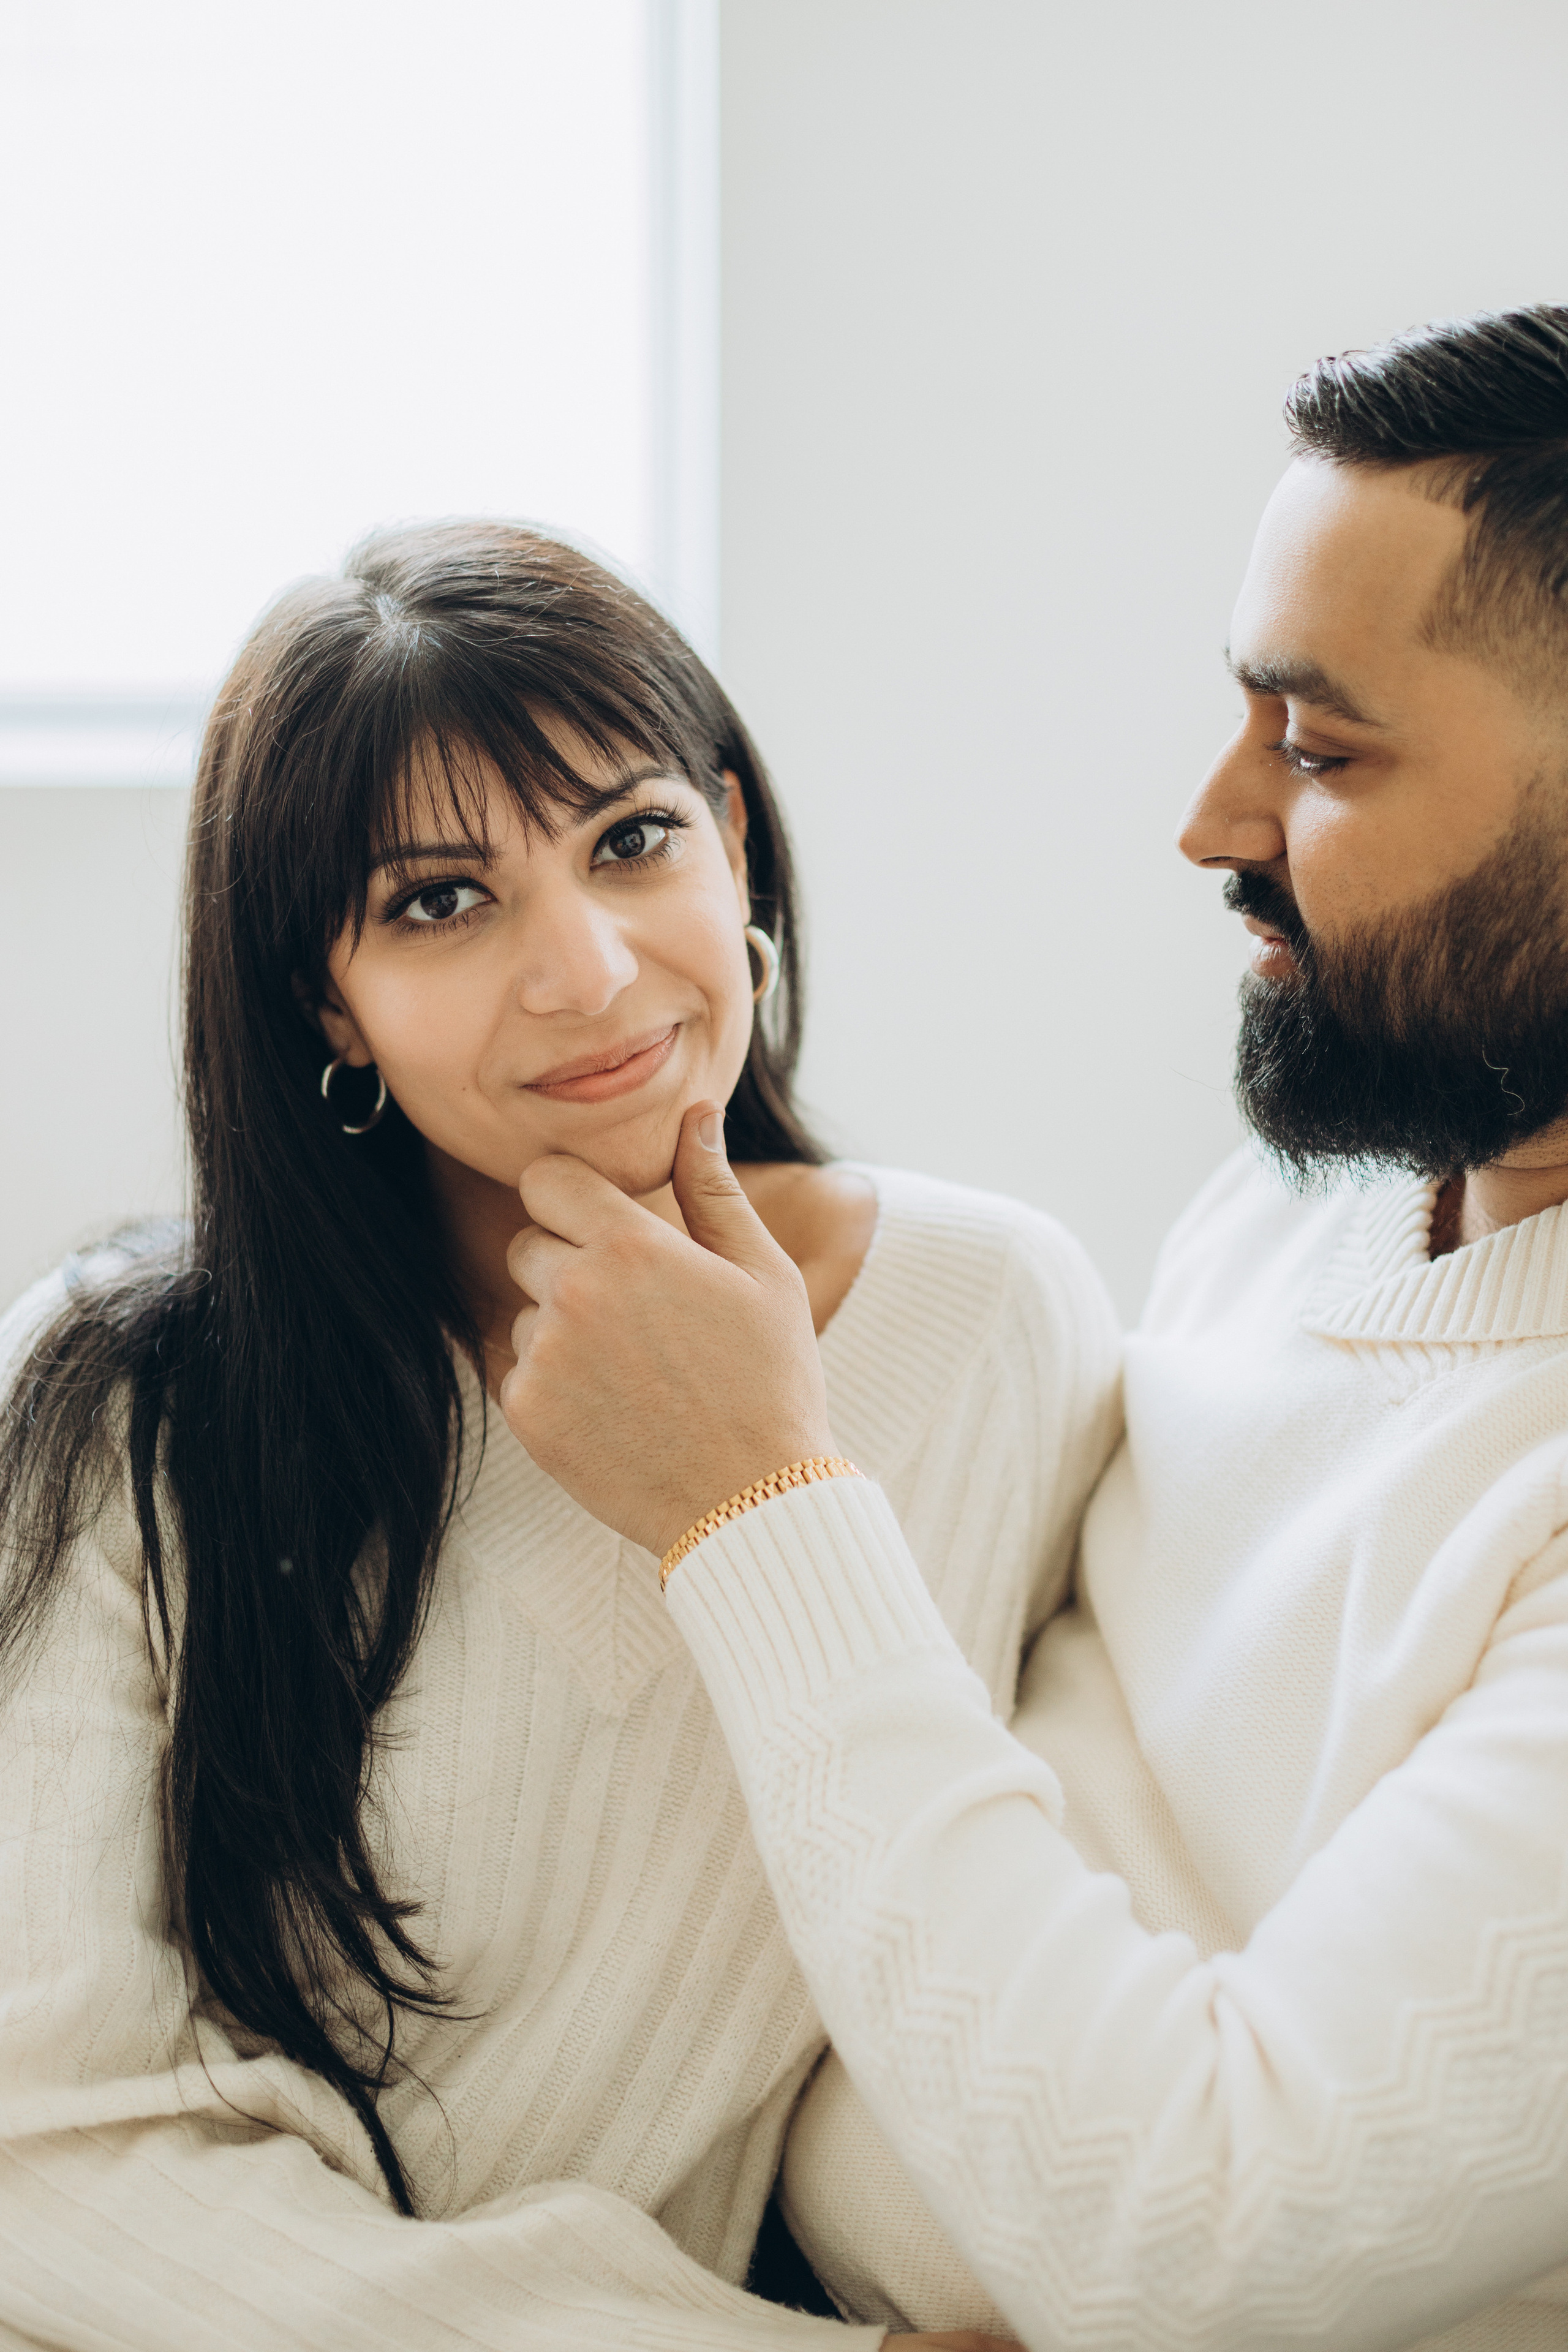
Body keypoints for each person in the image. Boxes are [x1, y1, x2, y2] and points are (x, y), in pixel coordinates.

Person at [500, 304, 1568, 2352]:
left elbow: (1196, 2244)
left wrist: (753, 1506)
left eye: (1320, 750)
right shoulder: (1304, 1204)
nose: (1213, 821)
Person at [0, 524, 1118, 2348]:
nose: (590, 972)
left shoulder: (991, 1321)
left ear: (735, 843)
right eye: (441, 901)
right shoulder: (129, 1403)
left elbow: (995, 1937)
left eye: (633, 840)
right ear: (320, 997)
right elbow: (37, 2154)